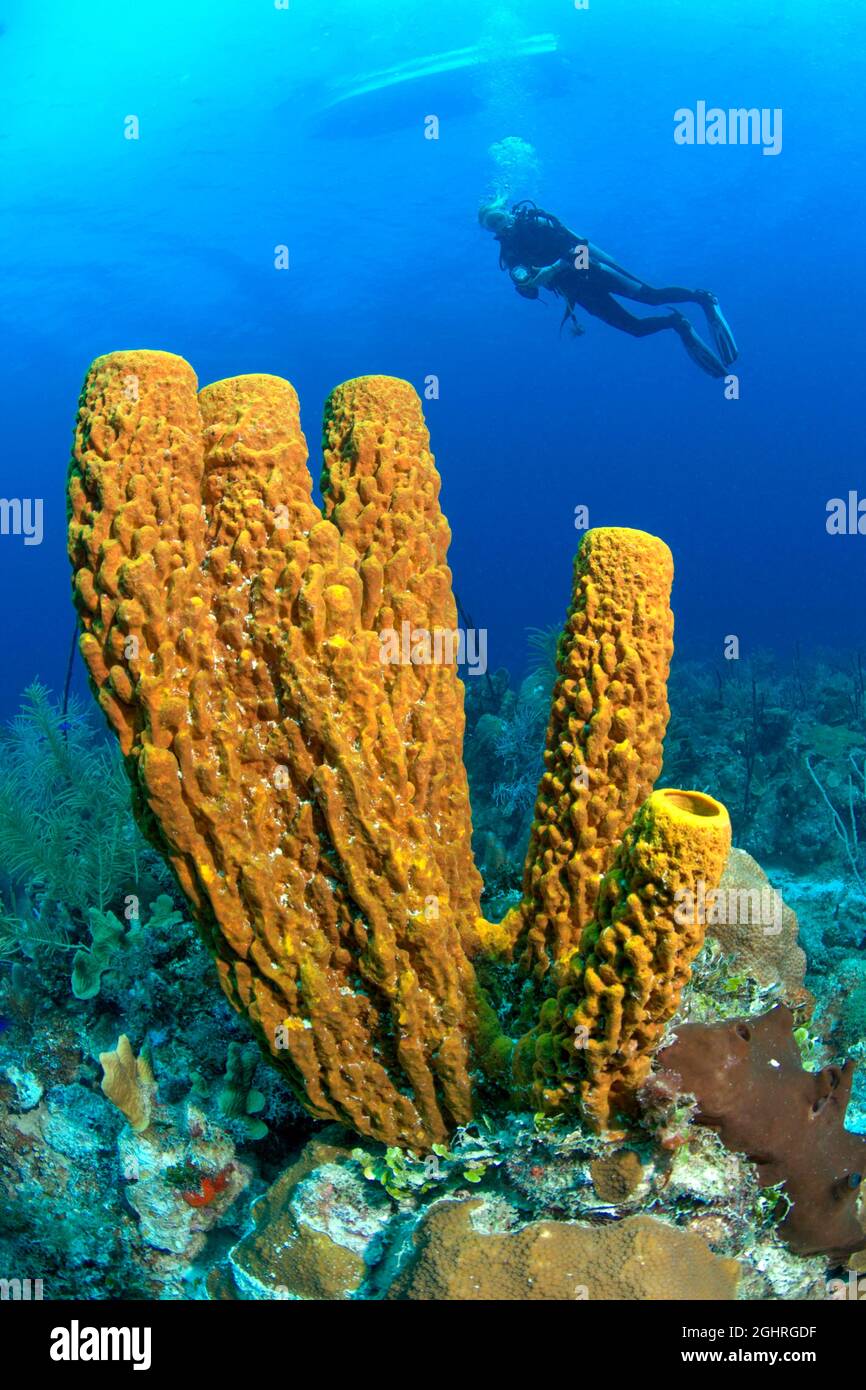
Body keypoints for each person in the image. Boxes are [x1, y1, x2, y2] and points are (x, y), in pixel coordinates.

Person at [479, 197, 737, 378]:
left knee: (652, 297)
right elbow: (531, 290)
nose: (500, 225)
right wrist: (526, 288)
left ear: (508, 212)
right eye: (492, 224)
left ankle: (704, 299)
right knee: (634, 329)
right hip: (579, 294)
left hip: (594, 272)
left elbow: (580, 247)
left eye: (499, 217)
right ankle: (678, 324)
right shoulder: (510, 255)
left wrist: (554, 268)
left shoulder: (537, 223)